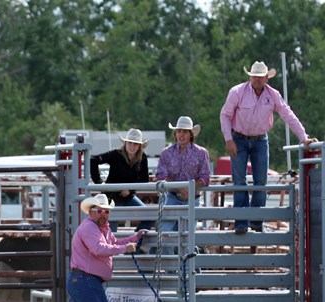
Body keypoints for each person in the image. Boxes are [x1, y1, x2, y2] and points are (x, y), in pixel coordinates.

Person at [220, 61, 316, 234]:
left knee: (261, 181)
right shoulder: (237, 92)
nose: (257, 80)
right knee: (240, 180)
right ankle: (241, 222)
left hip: (260, 140)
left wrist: (304, 137)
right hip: (239, 138)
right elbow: (225, 115)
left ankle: (256, 220)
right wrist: (228, 139)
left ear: (266, 78)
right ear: (250, 77)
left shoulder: (273, 95)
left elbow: (288, 114)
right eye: (254, 76)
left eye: (260, 77)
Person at [155, 116, 211, 256]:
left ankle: (190, 272)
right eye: (179, 131)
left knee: (188, 238)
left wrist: (191, 189)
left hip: (192, 198)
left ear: (191, 134)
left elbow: (205, 177)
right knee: (165, 235)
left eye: (185, 132)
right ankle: (171, 273)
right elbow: (160, 176)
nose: (181, 134)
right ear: (175, 134)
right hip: (173, 197)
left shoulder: (201, 153)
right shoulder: (166, 153)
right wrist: (179, 188)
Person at [90, 128, 153, 232]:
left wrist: (129, 189)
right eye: (130, 143)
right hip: (111, 197)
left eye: (135, 144)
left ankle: (135, 243)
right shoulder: (116, 154)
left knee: (149, 217)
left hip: (128, 197)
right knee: (111, 227)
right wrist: (99, 183)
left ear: (139, 146)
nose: (132, 146)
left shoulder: (142, 158)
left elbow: (144, 180)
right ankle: (114, 246)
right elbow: (93, 160)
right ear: (125, 143)